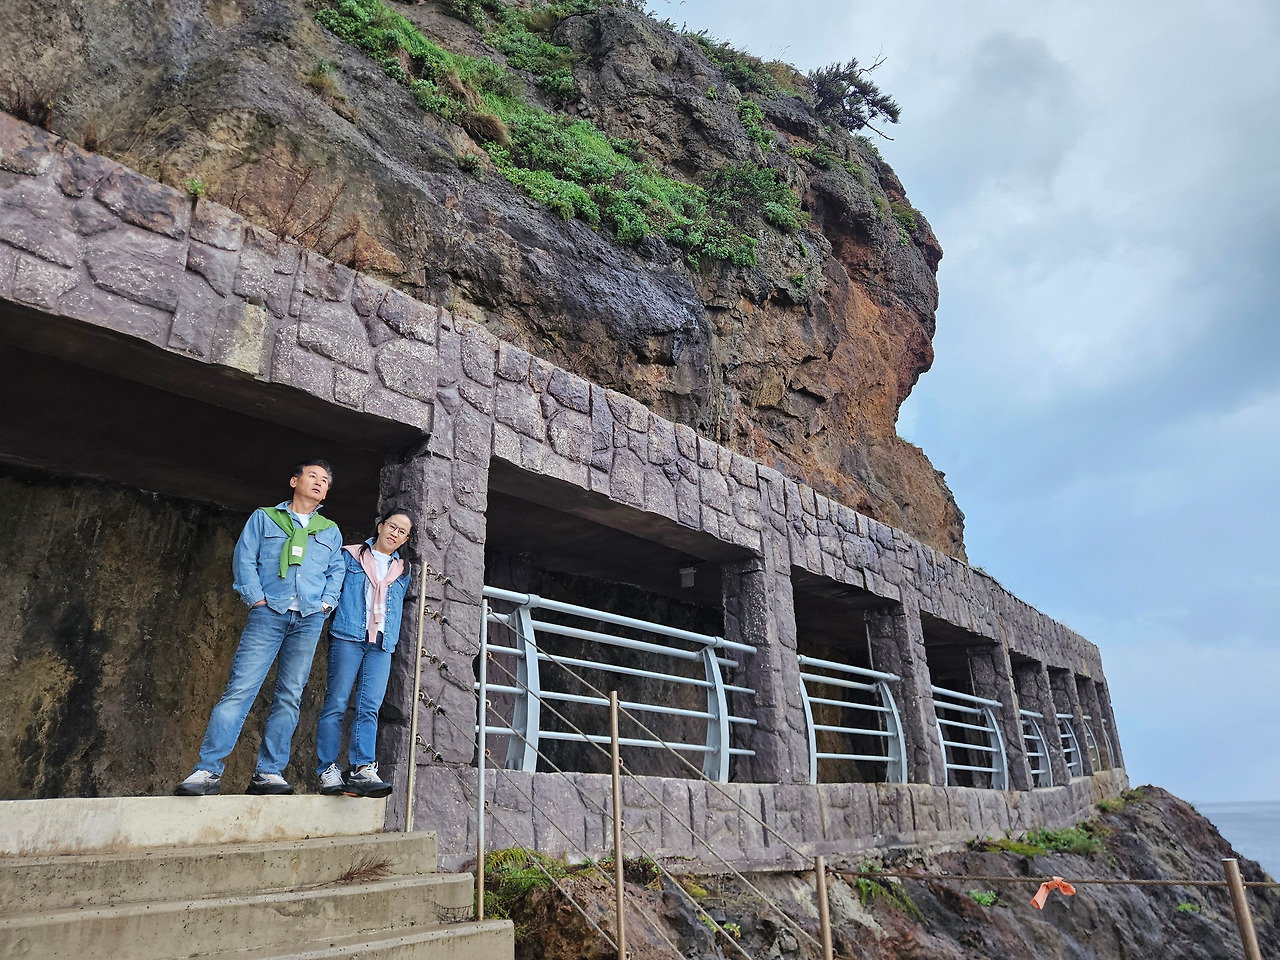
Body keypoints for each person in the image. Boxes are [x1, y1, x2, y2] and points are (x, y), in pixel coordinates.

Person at [175, 461, 344, 796]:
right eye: (312, 476)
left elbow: (336, 571)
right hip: (269, 613)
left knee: (290, 697)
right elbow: (245, 558)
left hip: (309, 618)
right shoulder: (265, 517)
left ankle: (268, 772)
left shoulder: (330, 530)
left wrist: (326, 604)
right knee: (240, 690)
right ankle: (208, 770)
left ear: (326, 492)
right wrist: (256, 599)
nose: (318, 482)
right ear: (294, 481)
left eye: (325, 480)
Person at [315, 508, 415, 798]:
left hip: (381, 644)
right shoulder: (350, 555)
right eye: (392, 526)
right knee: (336, 703)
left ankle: (362, 769)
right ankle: (328, 770)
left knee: (369, 706)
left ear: (405, 539)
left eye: (402, 532)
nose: (395, 533)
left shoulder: (403, 569)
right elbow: (334, 590)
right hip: (348, 635)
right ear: (380, 526)